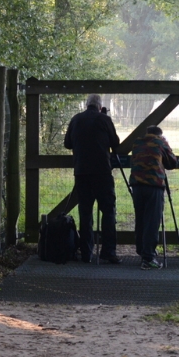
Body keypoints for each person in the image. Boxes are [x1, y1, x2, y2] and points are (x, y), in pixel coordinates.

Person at [64, 94, 121, 264]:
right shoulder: (104, 120)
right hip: (102, 172)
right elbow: (115, 143)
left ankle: (87, 253)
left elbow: (67, 143)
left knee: (85, 213)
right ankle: (108, 251)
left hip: (81, 172)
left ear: (86, 105)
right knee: (108, 212)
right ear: (99, 106)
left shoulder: (76, 119)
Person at [130, 126, 177, 270]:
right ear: (160, 134)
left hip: (137, 186)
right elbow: (172, 163)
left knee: (141, 219)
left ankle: (142, 250)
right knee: (152, 221)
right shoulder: (160, 142)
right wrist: (166, 144)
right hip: (154, 186)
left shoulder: (137, 142)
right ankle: (148, 258)